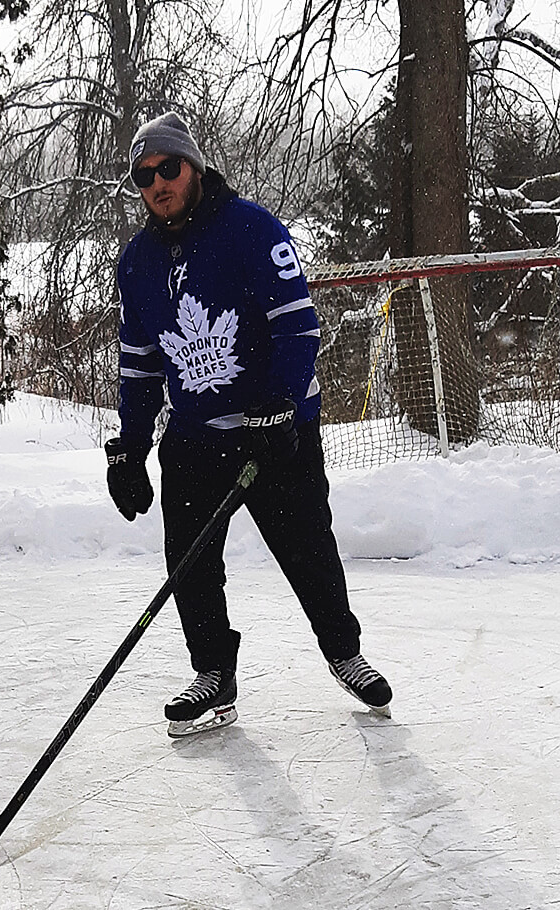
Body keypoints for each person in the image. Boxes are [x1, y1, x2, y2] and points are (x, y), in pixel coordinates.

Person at [104, 111, 391, 738]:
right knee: (190, 560)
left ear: (194, 166)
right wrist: (127, 449)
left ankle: (344, 651)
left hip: (273, 430)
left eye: (168, 168)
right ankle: (213, 675)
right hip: (196, 438)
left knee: (308, 548)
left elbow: (297, 324)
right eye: (143, 175)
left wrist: (281, 405)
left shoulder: (251, 229)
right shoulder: (137, 263)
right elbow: (140, 363)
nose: (157, 182)